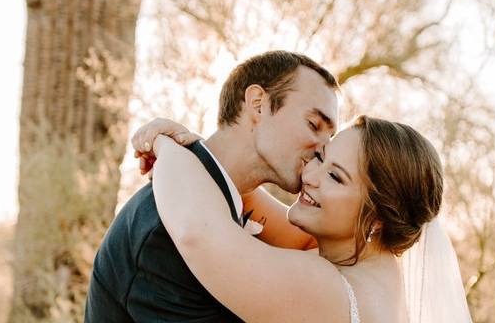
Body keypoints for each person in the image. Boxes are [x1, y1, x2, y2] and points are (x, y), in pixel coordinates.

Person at [134, 112, 470, 323]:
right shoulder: (377, 274)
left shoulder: (327, 290)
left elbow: (198, 233)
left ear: (379, 218)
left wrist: (165, 146)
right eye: (321, 157)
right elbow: (246, 193)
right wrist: (199, 150)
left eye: (336, 177)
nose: (310, 175)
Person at [84, 50, 340, 322]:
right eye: (314, 124)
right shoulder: (165, 235)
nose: (324, 150)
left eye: (331, 137)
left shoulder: (222, 202)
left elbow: (324, 243)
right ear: (258, 104)